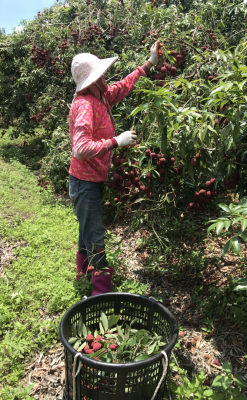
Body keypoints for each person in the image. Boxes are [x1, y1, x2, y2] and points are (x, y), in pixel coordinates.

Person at [68, 41, 159, 296]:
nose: (106, 76)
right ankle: (99, 293)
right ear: (93, 80)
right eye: (101, 73)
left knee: (86, 228)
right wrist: (115, 141)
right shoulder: (85, 104)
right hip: (83, 183)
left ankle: (83, 274)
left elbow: (124, 85)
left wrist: (149, 62)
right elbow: (80, 148)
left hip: (92, 180)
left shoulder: (101, 97)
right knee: (95, 235)